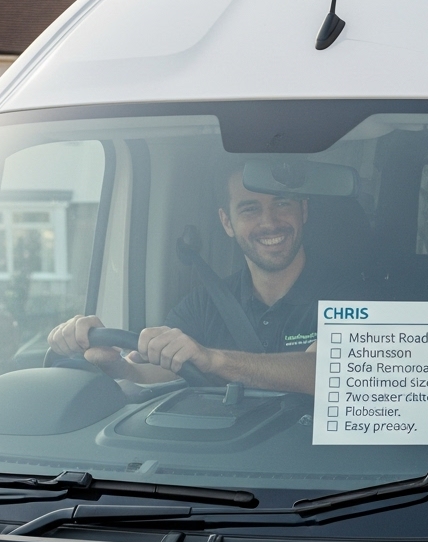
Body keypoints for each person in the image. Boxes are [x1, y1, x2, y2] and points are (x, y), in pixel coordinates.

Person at [46, 163, 331, 394]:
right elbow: (167, 369)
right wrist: (118, 367)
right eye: (250, 209)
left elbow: (328, 370)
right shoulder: (204, 304)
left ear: (303, 210)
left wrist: (212, 359)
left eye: (282, 203)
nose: (269, 222)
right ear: (227, 222)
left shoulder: (348, 293)